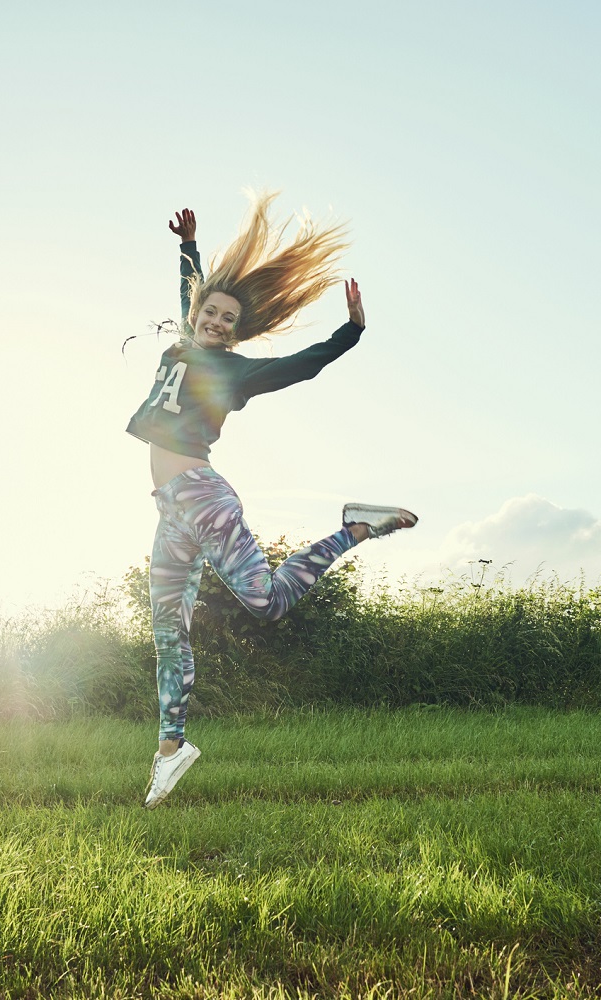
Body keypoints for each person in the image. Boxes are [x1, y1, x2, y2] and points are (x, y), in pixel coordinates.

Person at [127, 193, 417, 808]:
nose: (215, 321)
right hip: (170, 509)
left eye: (228, 319)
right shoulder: (180, 346)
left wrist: (351, 333)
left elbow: (301, 366)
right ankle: (171, 752)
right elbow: (191, 300)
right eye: (210, 312)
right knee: (167, 632)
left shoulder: (235, 374)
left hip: (204, 499)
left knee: (266, 605)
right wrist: (188, 249)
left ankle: (354, 529)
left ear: (237, 329)